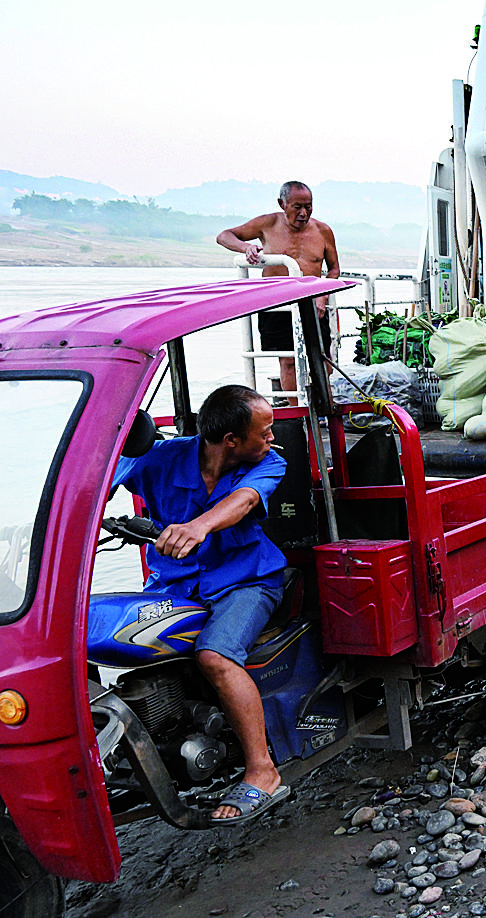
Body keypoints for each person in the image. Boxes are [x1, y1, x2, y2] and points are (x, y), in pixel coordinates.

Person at [113, 385, 291, 824]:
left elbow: (245, 500)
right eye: (264, 431)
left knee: (215, 655)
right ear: (231, 439)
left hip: (246, 581)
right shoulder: (161, 458)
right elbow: (93, 476)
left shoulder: (269, 461)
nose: (272, 438)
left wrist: (198, 526)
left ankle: (262, 771)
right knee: (123, 640)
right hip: (174, 583)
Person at [217, 181, 340, 402]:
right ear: (282, 204)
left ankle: (324, 404)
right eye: (297, 207)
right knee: (288, 360)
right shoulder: (267, 223)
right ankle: (297, 413)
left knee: (323, 358)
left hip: (312, 302)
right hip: (278, 302)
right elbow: (224, 236)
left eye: (308, 207)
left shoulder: (323, 230)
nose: (303, 213)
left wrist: (323, 296)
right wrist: (246, 248)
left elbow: (334, 269)